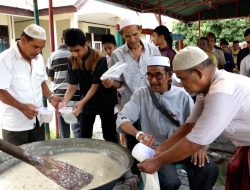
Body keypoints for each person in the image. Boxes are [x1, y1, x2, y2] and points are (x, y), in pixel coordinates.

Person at [138, 46, 250, 190]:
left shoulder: (221, 91)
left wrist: (157, 162)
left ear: (198, 73)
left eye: (183, 79)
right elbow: (189, 126)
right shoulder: (208, 88)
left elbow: (196, 142)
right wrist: (158, 150)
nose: (182, 85)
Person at [117, 56, 218, 190]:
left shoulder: (182, 95)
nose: (153, 80)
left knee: (208, 169)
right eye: (149, 75)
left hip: (182, 146)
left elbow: (196, 124)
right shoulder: (141, 94)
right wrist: (139, 134)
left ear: (169, 75)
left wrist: (199, 147)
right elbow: (122, 119)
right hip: (156, 150)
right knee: (169, 181)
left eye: (158, 75)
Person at [102, 17, 160, 174]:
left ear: (140, 29)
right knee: (134, 143)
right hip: (131, 105)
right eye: (128, 36)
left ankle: (155, 172)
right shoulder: (117, 55)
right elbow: (118, 82)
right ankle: (137, 175)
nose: (132, 39)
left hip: (154, 104)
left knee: (153, 140)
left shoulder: (153, 50)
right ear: (122, 35)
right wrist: (110, 84)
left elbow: (160, 74)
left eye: (135, 34)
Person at [0, 24, 61, 145]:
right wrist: (22, 107)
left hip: (38, 121)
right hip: (15, 126)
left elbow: (41, 82)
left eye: (41, 48)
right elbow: (1, 91)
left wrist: (51, 97)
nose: (38, 51)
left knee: (38, 157)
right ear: (23, 40)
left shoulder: (38, 59)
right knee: (17, 162)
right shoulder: (5, 59)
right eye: (35, 47)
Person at [59, 28, 118, 143]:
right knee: (84, 135)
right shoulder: (71, 60)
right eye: (71, 51)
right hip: (87, 101)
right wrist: (64, 102)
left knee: (109, 135)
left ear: (85, 44)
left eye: (77, 50)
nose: (75, 54)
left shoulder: (99, 57)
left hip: (105, 100)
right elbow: (73, 85)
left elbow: (95, 85)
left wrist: (82, 102)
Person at [47, 29, 81, 138]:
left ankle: (65, 150)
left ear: (62, 39)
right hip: (76, 96)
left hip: (60, 97)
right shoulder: (78, 54)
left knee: (63, 131)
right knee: (77, 129)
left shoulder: (52, 56)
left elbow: (50, 77)